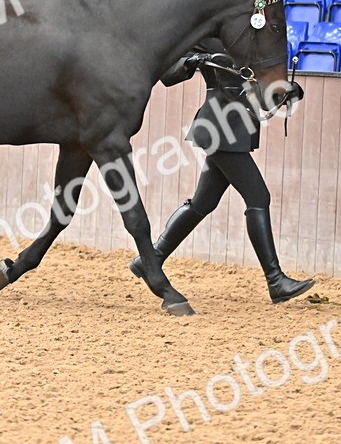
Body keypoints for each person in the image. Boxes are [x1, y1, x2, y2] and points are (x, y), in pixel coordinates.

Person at [129, 40, 314, 304]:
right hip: (220, 126)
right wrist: (192, 61)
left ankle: (151, 258)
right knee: (258, 197)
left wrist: (285, 92)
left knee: (202, 203)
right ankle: (276, 281)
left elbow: (258, 90)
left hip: (236, 128)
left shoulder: (247, 40)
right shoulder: (208, 37)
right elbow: (168, 72)